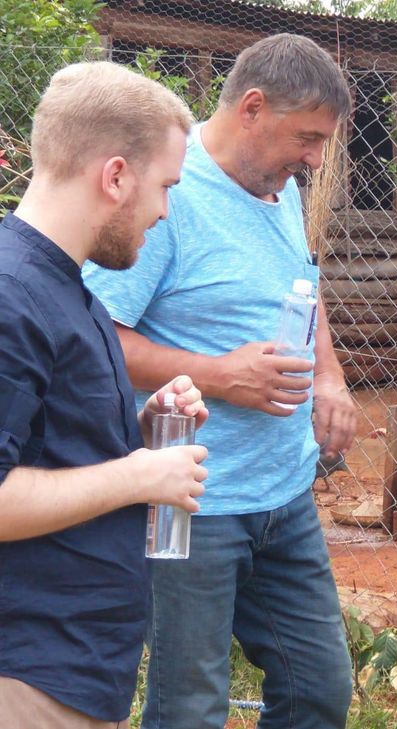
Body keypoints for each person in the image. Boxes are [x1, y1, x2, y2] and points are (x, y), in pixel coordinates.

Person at [82, 34, 355, 729]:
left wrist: (329, 375)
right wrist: (220, 376)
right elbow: (96, 337)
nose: (315, 159)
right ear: (252, 109)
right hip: (193, 501)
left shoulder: (279, 185)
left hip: (284, 493)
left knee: (318, 688)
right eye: (307, 138)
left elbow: (301, 281)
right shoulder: (165, 192)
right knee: (190, 707)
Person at [0, 62, 209, 728]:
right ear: (115, 176)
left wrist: (143, 428)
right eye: (164, 187)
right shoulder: (12, 297)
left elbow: (49, 446)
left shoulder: (64, 285)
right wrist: (140, 473)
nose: (164, 210)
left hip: (74, 670)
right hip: (27, 678)